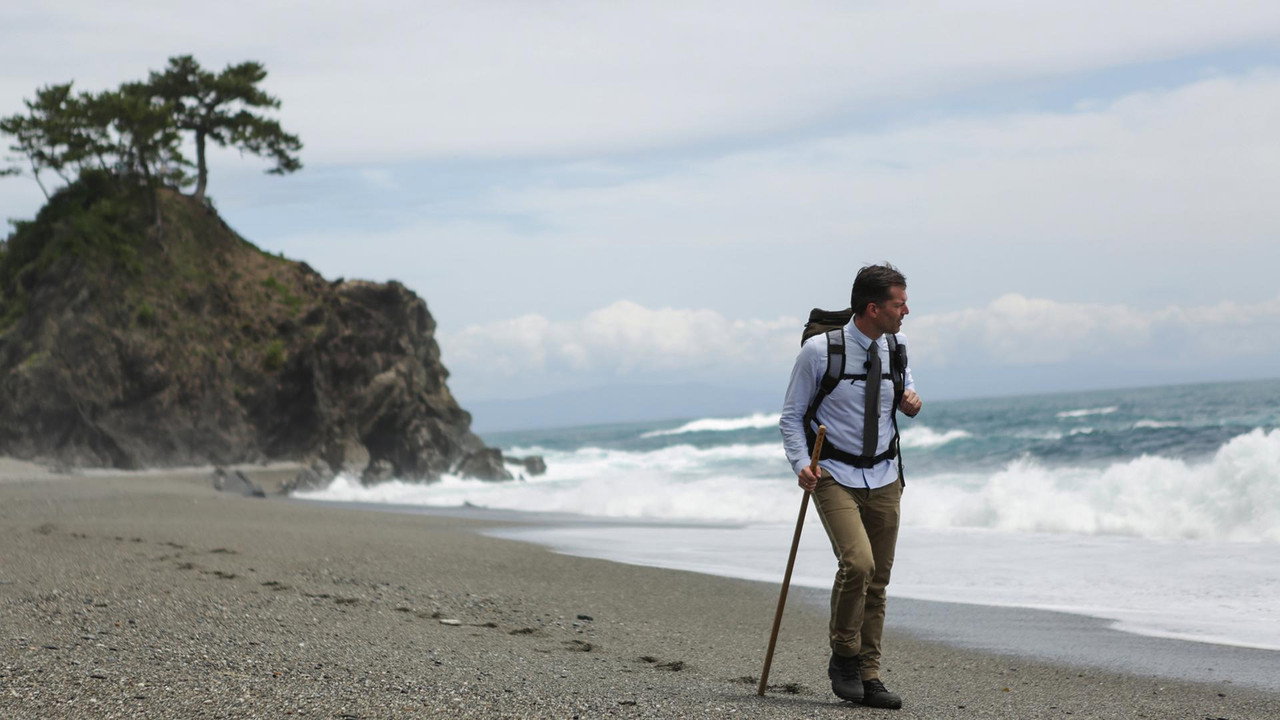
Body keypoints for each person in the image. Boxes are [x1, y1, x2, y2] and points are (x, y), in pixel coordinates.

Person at [778, 263, 922, 709]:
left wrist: (911, 400)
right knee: (857, 564)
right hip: (833, 474)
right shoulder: (820, 352)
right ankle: (844, 655)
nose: (906, 310)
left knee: (878, 578)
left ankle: (870, 673)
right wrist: (803, 464)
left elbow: (907, 395)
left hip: (884, 476)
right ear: (874, 307)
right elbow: (790, 416)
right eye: (899, 303)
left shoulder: (896, 349)